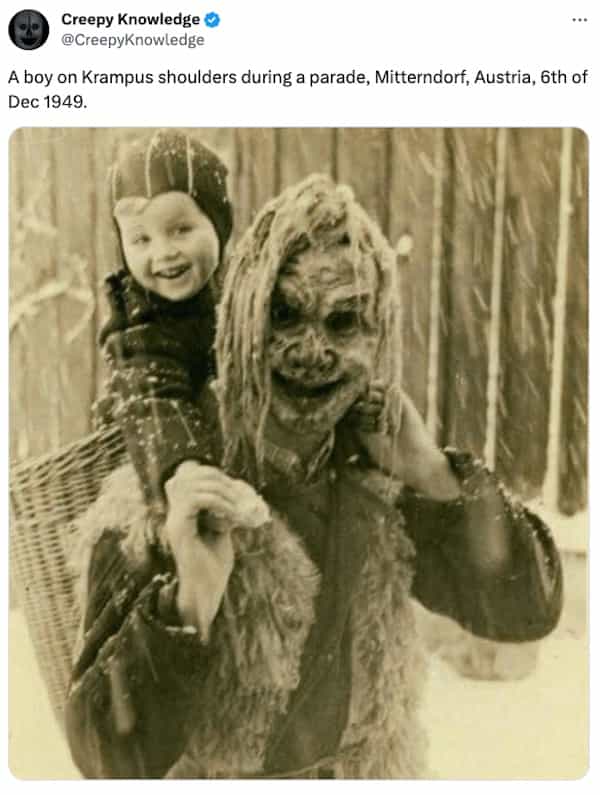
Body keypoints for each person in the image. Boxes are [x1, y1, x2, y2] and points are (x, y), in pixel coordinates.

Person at [66, 175, 563, 779]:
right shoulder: (168, 494)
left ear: (378, 333)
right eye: (285, 314)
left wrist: (431, 472)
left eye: (345, 321)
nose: (312, 351)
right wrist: (188, 598)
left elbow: (528, 608)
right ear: (241, 322)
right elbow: (105, 756)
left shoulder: (379, 479)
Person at [94, 128, 234, 508]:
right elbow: (151, 400)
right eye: (142, 239)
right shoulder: (138, 326)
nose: (164, 252)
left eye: (181, 230)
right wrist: (182, 466)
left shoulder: (237, 294)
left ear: (218, 227)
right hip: (154, 479)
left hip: (234, 458)